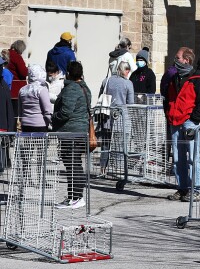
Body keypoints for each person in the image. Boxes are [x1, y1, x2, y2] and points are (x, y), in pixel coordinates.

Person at [165, 47, 200, 202]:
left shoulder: (198, 80)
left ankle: (195, 190)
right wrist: (169, 113)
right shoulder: (174, 78)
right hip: (175, 121)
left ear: (186, 60)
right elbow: (168, 98)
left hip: (189, 122)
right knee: (178, 158)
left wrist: (193, 119)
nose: (175, 60)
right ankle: (182, 188)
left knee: (193, 158)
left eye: (178, 57)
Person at [51, 61, 91, 208]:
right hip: (79, 131)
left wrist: (54, 117)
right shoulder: (84, 87)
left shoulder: (71, 89)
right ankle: (74, 197)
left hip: (71, 132)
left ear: (68, 73)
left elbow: (66, 112)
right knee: (74, 164)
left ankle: (76, 197)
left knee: (72, 165)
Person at [97, 60, 136, 174]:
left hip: (106, 116)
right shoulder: (128, 83)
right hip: (121, 118)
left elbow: (100, 96)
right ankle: (119, 171)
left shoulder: (106, 81)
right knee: (120, 146)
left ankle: (103, 169)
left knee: (105, 145)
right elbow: (131, 103)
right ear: (125, 71)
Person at [19, 64, 53, 132]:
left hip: (25, 124)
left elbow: (20, 110)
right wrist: (51, 123)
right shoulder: (42, 90)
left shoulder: (22, 90)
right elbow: (47, 111)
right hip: (40, 124)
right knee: (40, 142)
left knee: (28, 142)